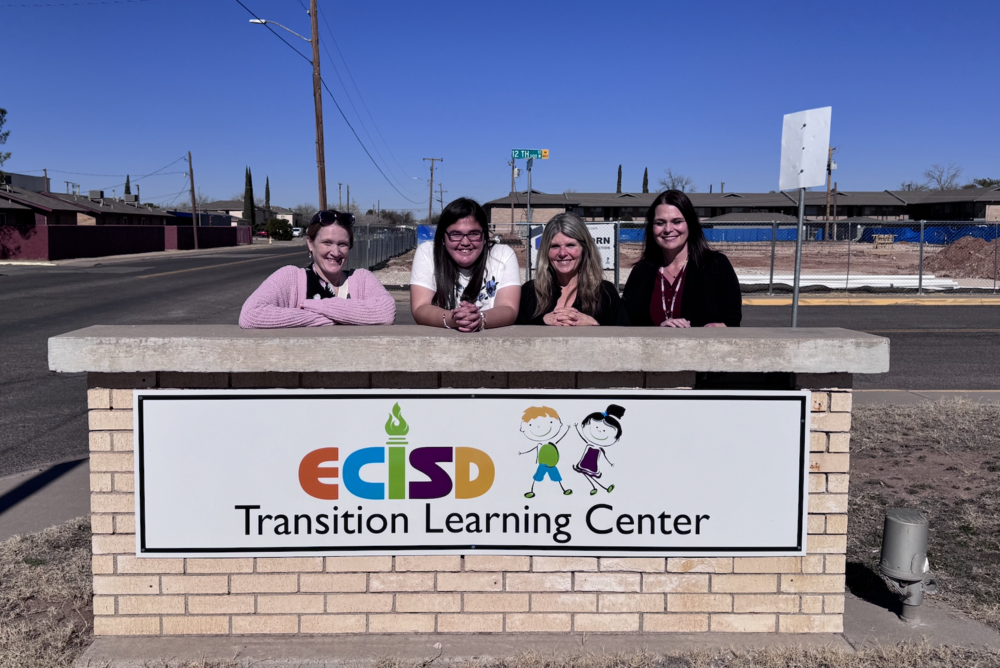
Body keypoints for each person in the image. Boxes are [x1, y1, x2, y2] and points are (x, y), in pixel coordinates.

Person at [239, 210, 396, 328]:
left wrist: (319, 306)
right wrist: (340, 318)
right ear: (310, 243)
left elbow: (386, 312)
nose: (335, 252)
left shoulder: (361, 278)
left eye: (342, 244)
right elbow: (250, 315)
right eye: (327, 243)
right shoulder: (290, 277)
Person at [622, 190, 741, 327]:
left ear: (690, 224)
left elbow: (733, 319)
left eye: (677, 221)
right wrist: (657, 331)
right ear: (651, 228)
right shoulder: (641, 272)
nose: (668, 229)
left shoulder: (716, 265)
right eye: (660, 223)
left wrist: (722, 327)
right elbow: (627, 323)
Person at [410, 197, 520, 331]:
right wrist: (452, 319)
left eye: (474, 234)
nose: (465, 242)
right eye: (456, 234)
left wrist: (480, 319)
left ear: (484, 237)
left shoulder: (503, 255)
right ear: (443, 238)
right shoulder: (427, 252)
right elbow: (420, 308)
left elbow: (509, 309)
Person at [517, 212, 628, 326]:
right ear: (546, 251)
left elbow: (626, 338)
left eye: (570, 245)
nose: (562, 253)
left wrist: (595, 325)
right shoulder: (530, 292)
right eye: (555, 246)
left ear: (584, 249)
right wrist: (542, 322)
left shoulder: (605, 293)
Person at [572, 404, 626, 495]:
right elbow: (582, 438)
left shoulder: (600, 449)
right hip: (584, 462)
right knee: (585, 474)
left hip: (592, 464)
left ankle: (599, 487)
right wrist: (576, 429)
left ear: (616, 439)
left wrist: (610, 463)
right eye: (596, 427)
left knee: (587, 474)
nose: (599, 431)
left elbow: (604, 456)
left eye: (605, 431)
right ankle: (598, 487)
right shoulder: (589, 445)